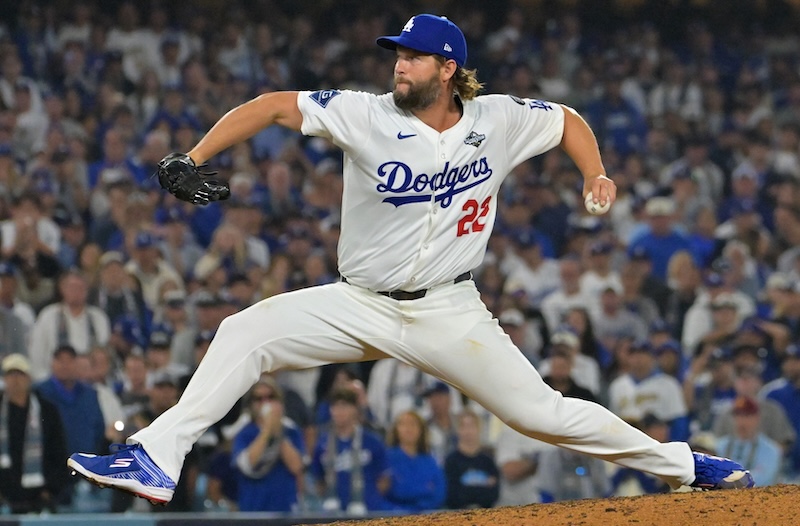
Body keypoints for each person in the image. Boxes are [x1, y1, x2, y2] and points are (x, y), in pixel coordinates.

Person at [67, 14, 753, 505]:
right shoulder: (365, 114)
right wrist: (194, 156)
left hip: (450, 309)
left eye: (415, 57)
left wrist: (594, 173)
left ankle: (683, 466)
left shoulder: (498, 119)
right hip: (358, 302)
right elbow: (274, 107)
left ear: (448, 69)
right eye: (398, 54)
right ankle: (157, 457)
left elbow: (567, 120)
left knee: (542, 415)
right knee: (244, 331)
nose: (399, 64)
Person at [0, 354, 69, 514]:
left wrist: (49, 491)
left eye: (20, 375)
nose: (15, 380)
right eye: (11, 375)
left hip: (38, 499)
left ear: (29, 379)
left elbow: (58, 451)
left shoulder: (47, 411)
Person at [232, 376, 305, 512]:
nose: (265, 403)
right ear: (251, 404)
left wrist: (277, 432)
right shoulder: (244, 432)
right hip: (253, 510)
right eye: (259, 399)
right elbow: (247, 465)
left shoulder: (291, 430)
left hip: (285, 510)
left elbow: (296, 467)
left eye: (271, 397)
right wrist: (266, 430)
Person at [383, 410, 445, 511]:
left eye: (413, 424)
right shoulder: (386, 458)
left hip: (427, 514)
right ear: (396, 430)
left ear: (421, 430)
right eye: (403, 424)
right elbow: (381, 492)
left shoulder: (430, 461)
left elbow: (439, 493)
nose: (409, 428)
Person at [444, 410, 499, 509]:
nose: (468, 431)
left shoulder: (488, 462)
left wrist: (467, 490)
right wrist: (483, 487)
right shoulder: (451, 461)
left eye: (472, 426)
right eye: (463, 426)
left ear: (479, 429)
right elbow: (453, 495)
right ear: (457, 430)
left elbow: (493, 495)